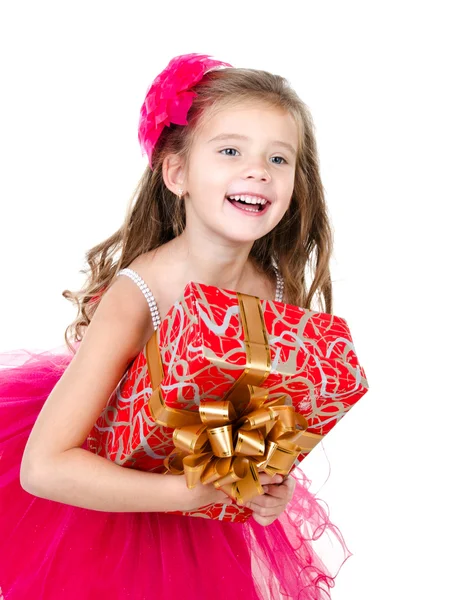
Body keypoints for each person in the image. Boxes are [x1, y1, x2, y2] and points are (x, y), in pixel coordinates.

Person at [0, 53, 351, 599]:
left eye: (278, 158)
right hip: (107, 512)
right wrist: (190, 496)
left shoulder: (277, 293)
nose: (257, 169)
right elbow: (42, 469)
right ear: (177, 172)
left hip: (203, 522)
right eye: (231, 150)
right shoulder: (139, 298)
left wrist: (266, 492)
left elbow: (244, 430)